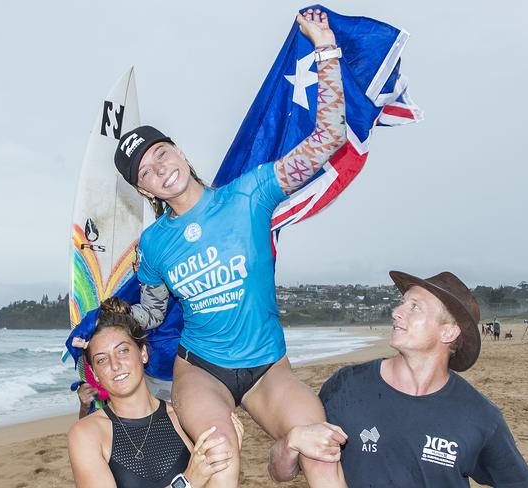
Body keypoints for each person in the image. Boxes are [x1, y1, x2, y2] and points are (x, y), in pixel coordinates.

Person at [110, 9, 348, 486]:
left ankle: (288, 447)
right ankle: (280, 448)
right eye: (146, 174)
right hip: (201, 370)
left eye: (161, 154)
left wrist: (325, 48)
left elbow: (329, 138)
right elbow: (153, 313)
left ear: (178, 150)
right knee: (219, 452)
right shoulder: (153, 243)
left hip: (269, 368)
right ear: (145, 192)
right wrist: (111, 323)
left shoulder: (250, 193)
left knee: (321, 447)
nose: (160, 170)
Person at [276, 270, 528, 487]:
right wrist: (290, 443)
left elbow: (522, 482)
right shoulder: (346, 386)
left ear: (448, 332)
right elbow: (281, 472)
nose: (397, 312)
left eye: (415, 307)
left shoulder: (479, 416)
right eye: (402, 303)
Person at [67, 298, 243, 488]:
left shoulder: (182, 419)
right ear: (94, 373)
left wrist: (226, 467)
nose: (115, 365)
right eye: (101, 360)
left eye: (123, 351)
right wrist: (187, 482)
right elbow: (194, 480)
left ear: (143, 353)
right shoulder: (87, 434)